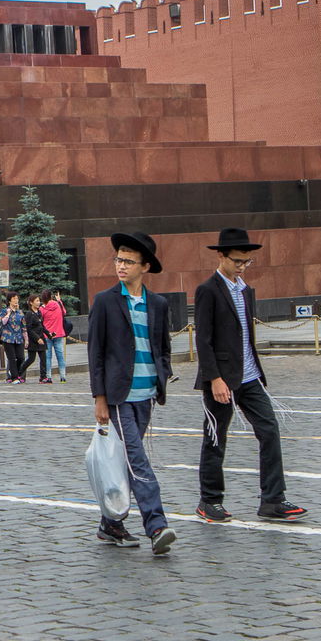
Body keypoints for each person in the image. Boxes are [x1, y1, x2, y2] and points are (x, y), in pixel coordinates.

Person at [194, 227, 308, 523]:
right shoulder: (208, 290)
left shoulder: (245, 289)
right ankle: (210, 500)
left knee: (269, 430)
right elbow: (203, 340)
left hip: (250, 376)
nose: (242, 267)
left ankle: (272, 500)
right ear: (221, 256)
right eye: (237, 261)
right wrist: (214, 379)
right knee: (215, 438)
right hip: (222, 379)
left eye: (247, 262)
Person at [87, 232, 176, 556]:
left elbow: (162, 347)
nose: (121, 266)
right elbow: (96, 352)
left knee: (125, 461)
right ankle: (157, 525)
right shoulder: (106, 301)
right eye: (118, 259)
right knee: (137, 460)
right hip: (118, 397)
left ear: (145, 266)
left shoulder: (158, 304)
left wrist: (162, 376)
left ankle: (110, 524)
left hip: (146, 394)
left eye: (128, 261)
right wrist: (100, 397)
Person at [0, 293, 27, 383]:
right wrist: (8, 314)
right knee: (12, 358)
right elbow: (2, 322)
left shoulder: (20, 312)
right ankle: (14, 377)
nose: (16, 300)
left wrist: (26, 339)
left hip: (19, 338)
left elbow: (23, 326)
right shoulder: (4, 311)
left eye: (17, 298)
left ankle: (16, 373)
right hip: (8, 338)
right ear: (9, 300)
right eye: (14, 298)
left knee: (21, 357)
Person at [40, 290, 69, 383]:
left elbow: (40, 320)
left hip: (47, 335)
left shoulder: (42, 308)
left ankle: (48, 377)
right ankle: (63, 377)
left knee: (48, 357)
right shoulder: (58, 305)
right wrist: (59, 300)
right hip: (58, 333)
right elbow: (64, 312)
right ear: (51, 296)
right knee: (60, 356)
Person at [21, 293, 51, 383]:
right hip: (34, 340)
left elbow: (41, 326)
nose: (39, 303)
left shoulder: (39, 313)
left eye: (39, 301)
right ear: (31, 303)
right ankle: (19, 372)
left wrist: (49, 334)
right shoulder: (29, 314)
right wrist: (37, 338)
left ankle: (43, 377)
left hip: (41, 338)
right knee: (31, 359)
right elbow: (29, 329)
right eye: (37, 301)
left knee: (43, 359)